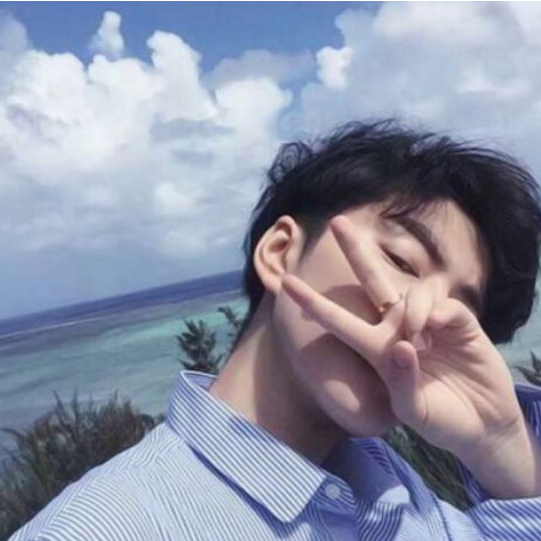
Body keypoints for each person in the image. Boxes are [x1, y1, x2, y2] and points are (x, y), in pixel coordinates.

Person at [10, 120, 541, 540]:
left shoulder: (393, 485)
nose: (424, 319)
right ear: (281, 253)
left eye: (459, 309)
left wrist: (502, 450)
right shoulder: (102, 529)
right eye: (401, 261)